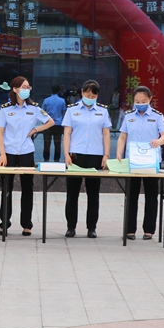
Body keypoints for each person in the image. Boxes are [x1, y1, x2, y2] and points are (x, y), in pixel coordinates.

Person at [0, 76, 53, 236]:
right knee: (6, 188)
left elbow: (50, 122)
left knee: (27, 188)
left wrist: (35, 130)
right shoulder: (5, 109)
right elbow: (0, 132)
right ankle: (4, 223)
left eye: (28, 87)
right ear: (15, 89)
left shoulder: (34, 108)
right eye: (23, 87)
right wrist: (2, 154)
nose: (26, 90)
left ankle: (27, 224)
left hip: (27, 151)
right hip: (9, 152)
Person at [115, 85, 164, 240]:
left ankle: (149, 230)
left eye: (143, 101)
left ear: (150, 99)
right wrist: (118, 152)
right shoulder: (128, 116)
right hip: (133, 161)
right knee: (131, 195)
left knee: (151, 195)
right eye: (137, 101)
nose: (140, 104)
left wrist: (158, 141)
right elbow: (122, 137)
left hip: (151, 162)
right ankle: (130, 230)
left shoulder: (157, 116)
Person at [62, 80, 112, 238]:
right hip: (75, 155)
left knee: (93, 194)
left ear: (97, 96)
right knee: (72, 193)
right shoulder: (72, 110)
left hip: (95, 155)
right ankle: (71, 227)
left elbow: (106, 134)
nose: (90, 98)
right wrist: (66, 154)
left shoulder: (102, 111)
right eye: (87, 94)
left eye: (93, 96)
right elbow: (67, 133)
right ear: (82, 92)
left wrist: (106, 155)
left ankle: (92, 228)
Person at [41, 85, 67, 162]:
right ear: (59, 91)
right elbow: (63, 112)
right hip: (58, 124)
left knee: (47, 143)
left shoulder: (46, 100)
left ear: (51, 91)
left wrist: (44, 121)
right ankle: (57, 159)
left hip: (48, 124)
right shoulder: (62, 101)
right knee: (57, 144)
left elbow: (42, 112)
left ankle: (46, 159)